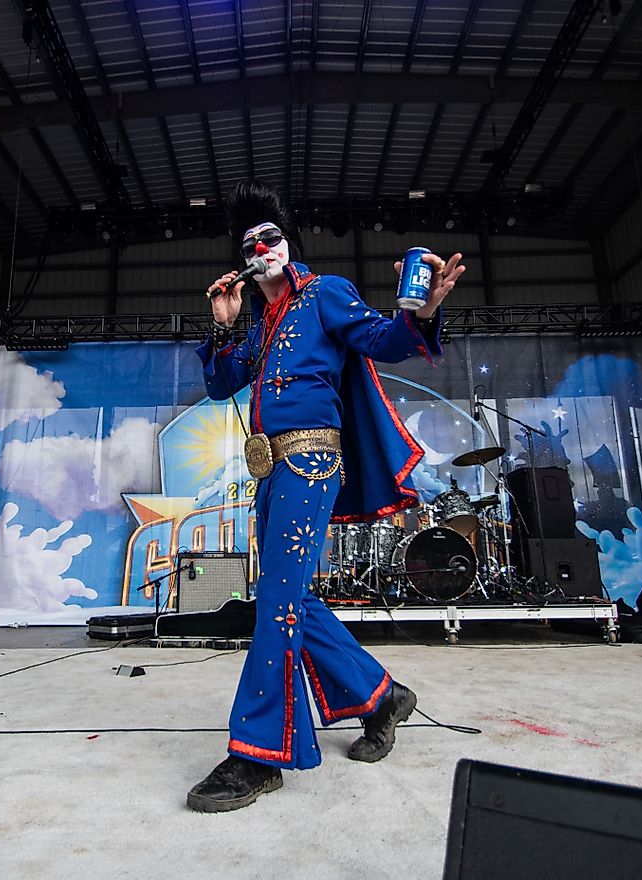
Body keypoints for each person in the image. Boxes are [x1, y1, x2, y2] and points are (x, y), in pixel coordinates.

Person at [187, 180, 465, 812]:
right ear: (244, 260)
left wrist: (419, 315)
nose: (263, 248)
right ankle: (381, 695)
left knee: (277, 602)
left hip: (313, 462)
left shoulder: (324, 295)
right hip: (269, 471)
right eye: (250, 243)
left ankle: (258, 755)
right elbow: (220, 383)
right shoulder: (260, 323)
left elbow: (382, 339)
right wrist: (225, 326)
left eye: (272, 237)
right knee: (286, 600)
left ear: (287, 247)